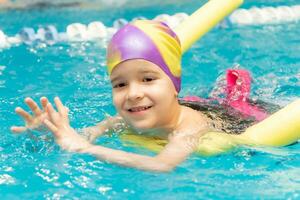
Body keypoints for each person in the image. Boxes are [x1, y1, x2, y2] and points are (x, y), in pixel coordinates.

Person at [10, 20, 261, 172]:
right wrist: (47, 133)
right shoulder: (120, 121)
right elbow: (79, 137)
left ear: (174, 84)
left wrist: (86, 149)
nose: (133, 94)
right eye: (120, 84)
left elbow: (163, 165)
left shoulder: (190, 126)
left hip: (237, 120)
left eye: (148, 79)